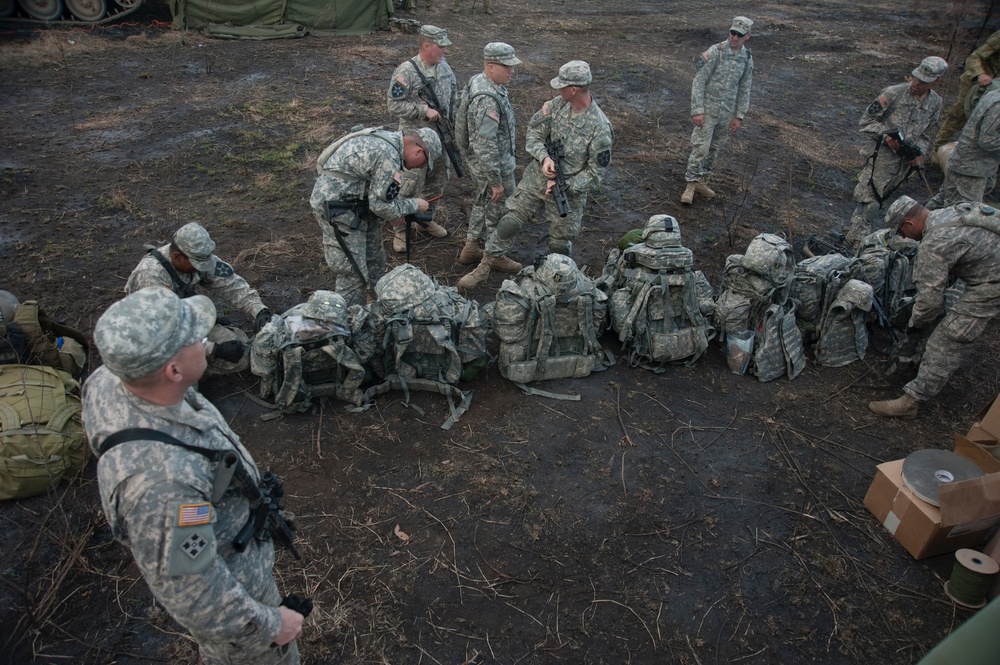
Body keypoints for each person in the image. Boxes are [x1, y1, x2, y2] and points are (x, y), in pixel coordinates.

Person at [82, 287, 305, 663]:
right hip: (238, 604)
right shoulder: (165, 486)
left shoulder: (113, 380)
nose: (207, 341)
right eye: (197, 339)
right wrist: (269, 625)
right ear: (173, 370)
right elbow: (195, 595)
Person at [458, 60, 613, 289]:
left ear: (574, 89)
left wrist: (568, 186)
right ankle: (486, 264)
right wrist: (544, 158)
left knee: (560, 243)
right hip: (537, 177)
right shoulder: (555, 106)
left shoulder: (600, 127)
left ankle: (557, 282)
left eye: (562, 86)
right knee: (509, 220)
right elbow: (534, 133)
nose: (557, 90)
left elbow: (595, 173)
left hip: (567, 192)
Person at [869, 196, 1000, 418]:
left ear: (909, 224)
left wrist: (914, 327)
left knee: (948, 339)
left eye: (902, 233)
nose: (904, 238)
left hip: (993, 285)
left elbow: (929, 303)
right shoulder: (953, 211)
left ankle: (910, 402)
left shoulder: (934, 243)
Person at [310, 127, 440, 307]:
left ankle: (376, 308)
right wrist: (414, 205)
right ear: (418, 151)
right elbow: (380, 206)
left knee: (375, 261)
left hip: (357, 204)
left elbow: (380, 196)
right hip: (338, 210)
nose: (420, 168)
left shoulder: (387, 140)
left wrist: (396, 209)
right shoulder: (389, 155)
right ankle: (348, 320)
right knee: (353, 272)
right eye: (424, 163)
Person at [125, 222, 271, 375]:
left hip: (183, 320)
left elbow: (231, 285)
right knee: (181, 374)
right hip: (152, 339)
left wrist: (259, 309)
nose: (202, 268)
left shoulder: (197, 257)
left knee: (241, 352)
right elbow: (162, 335)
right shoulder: (150, 277)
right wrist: (214, 350)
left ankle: (197, 366)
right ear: (177, 256)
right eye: (197, 264)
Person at [845, 57, 948, 246]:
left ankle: (858, 237)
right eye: (916, 78)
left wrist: (919, 154)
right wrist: (885, 135)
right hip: (881, 158)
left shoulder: (935, 103)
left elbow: (929, 134)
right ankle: (855, 242)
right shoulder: (893, 93)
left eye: (923, 82)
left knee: (881, 200)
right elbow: (866, 121)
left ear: (936, 82)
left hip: (903, 165)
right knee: (870, 202)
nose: (916, 83)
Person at [387, 24, 456, 251]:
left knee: (437, 181)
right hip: (414, 143)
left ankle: (425, 220)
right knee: (409, 184)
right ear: (426, 46)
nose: (445, 51)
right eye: (441, 46)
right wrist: (422, 110)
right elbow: (393, 104)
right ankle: (400, 230)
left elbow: (453, 99)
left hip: (441, 139)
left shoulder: (445, 69)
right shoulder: (406, 72)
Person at [457, 42, 522, 266]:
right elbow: (485, 143)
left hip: (482, 162)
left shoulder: (479, 81)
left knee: (483, 201)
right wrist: (495, 180)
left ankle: (471, 247)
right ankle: (494, 256)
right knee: (500, 208)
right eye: (507, 67)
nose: (512, 71)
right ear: (491, 66)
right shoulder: (487, 99)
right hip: (493, 165)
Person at [680, 16, 754, 206]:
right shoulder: (716, 52)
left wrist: (739, 115)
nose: (734, 37)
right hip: (708, 111)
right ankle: (690, 184)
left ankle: (702, 181)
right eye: (732, 33)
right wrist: (697, 110)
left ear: (748, 36)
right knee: (701, 148)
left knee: (714, 149)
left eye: (739, 35)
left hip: (726, 113)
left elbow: (745, 88)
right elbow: (699, 81)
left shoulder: (746, 59)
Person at [926, 87, 1000, 210]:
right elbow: (987, 140)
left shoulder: (993, 95)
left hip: (965, 164)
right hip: (970, 171)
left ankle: (911, 225)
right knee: (962, 215)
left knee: (940, 204)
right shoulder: (997, 104)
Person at [934, 30, 1000, 153]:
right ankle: (938, 146)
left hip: (996, 86)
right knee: (960, 114)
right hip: (976, 81)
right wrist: (980, 74)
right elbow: (974, 57)